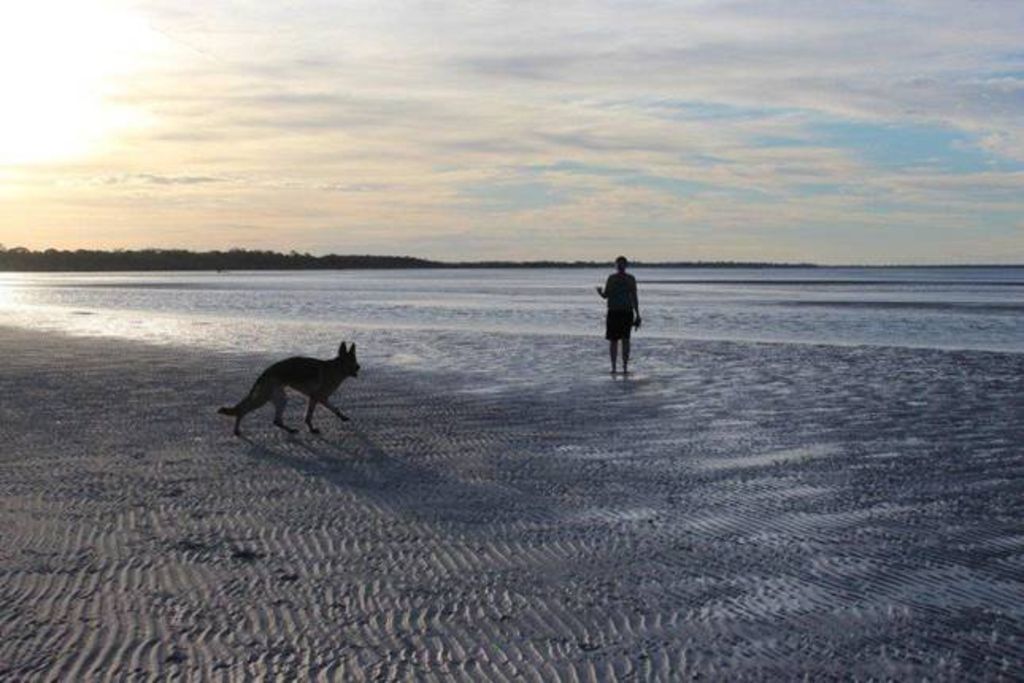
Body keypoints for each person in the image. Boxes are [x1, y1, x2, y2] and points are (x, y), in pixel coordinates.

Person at [596, 256, 641, 374]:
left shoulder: (626, 278)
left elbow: (634, 297)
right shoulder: (615, 278)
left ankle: (622, 367)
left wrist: (638, 314)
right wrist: (601, 293)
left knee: (622, 340)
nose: (620, 266)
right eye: (619, 264)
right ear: (617, 265)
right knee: (616, 340)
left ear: (625, 265)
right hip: (617, 311)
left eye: (622, 264)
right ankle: (616, 367)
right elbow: (607, 295)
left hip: (624, 312)